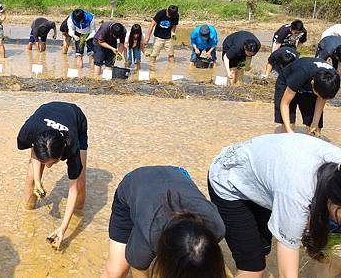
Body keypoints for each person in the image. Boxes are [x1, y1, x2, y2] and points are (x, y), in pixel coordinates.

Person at [208, 133, 341, 278]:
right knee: (253, 269)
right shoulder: (296, 196)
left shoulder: (336, 166)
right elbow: (288, 275)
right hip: (230, 180)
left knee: (263, 248)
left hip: (269, 177)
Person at [101, 166, 226, 278]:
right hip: (136, 181)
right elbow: (139, 270)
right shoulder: (149, 236)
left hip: (177, 174)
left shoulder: (217, 227)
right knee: (115, 272)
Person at [17, 102, 88, 250]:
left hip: (75, 118)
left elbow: (73, 190)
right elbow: (33, 147)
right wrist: (37, 179)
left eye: (53, 163)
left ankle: (78, 213)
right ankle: (27, 212)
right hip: (45, 112)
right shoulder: (27, 132)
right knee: (31, 179)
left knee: (79, 182)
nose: (48, 166)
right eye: (46, 162)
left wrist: (63, 228)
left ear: (63, 152)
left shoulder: (72, 145)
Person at [274, 57, 339, 135]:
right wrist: (289, 131)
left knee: (315, 130)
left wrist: (315, 123)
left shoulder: (332, 80)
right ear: (312, 83)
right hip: (288, 82)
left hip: (310, 83)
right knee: (288, 127)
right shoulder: (301, 73)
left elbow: (321, 100)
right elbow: (285, 104)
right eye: (318, 94)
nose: (320, 97)